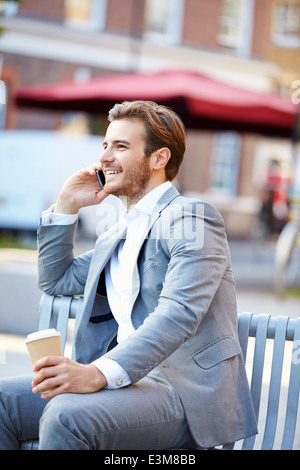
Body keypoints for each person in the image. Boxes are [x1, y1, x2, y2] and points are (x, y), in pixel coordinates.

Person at [0, 100, 257, 450]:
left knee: (66, 416)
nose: (104, 156)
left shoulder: (192, 218)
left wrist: (96, 372)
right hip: (127, 387)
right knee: (3, 401)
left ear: (158, 159)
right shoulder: (118, 234)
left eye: (120, 146)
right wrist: (65, 205)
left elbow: (178, 314)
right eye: (105, 145)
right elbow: (56, 279)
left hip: (183, 393)